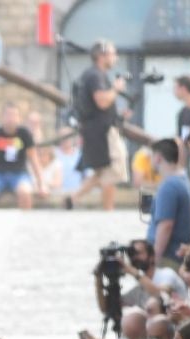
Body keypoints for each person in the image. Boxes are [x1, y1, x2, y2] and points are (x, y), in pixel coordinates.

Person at [68, 40, 127, 212]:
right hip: (102, 131)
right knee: (113, 168)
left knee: (102, 170)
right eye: (112, 54)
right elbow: (101, 101)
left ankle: (73, 198)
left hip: (95, 129)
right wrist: (116, 89)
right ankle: (108, 210)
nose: (115, 58)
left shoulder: (92, 75)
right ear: (102, 56)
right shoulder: (95, 75)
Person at [146, 138, 190, 265]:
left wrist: (154, 259)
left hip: (168, 257)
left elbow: (166, 225)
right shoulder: (188, 183)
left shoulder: (169, 186)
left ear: (158, 157)